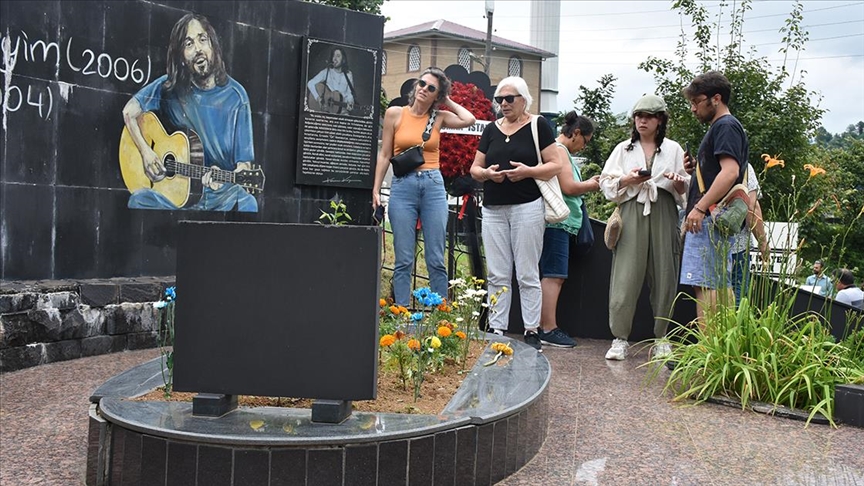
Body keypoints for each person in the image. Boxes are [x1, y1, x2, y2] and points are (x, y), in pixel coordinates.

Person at [122, 13, 258, 212]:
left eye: (203, 40)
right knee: (138, 199)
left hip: (220, 198)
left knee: (248, 204)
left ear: (213, 45)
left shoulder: (236, 97)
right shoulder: (169, 87)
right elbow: (129, 112)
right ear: (181, 57)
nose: (198, 50)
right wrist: (146, 152)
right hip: (174, 199)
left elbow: (244, 167)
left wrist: (224, 180)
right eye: (189, 44)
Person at [469, 76, 564, 351]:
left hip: (527, 205)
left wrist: (528, 172)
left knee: (527, 272)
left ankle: (531, 329)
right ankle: (498, 327)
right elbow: (475, 168)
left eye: (509, 98)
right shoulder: (490, 129)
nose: (503, 104)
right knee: (497, 273)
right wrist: (486, 174)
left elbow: (555, 165)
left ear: (524, 99)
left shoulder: (538, 125)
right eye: (499, 99)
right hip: (493, 207)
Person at [372, 68, 475, 306]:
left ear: (436, 96)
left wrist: (446, 99)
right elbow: (385, 154)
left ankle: (440, 313)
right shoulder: (395, 114)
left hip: (432, 185)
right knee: (404, 257)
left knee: (436, 256)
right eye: (422, 84)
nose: (424, 89)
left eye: (431, 88)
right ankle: (402, 312)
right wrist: (376, 188)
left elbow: (468, 119)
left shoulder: (438, 117)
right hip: (403, 186)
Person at [599, 95, 689, 360]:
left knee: (664, 273)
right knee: (625, 275)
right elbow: (606, 184)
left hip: (663, 208)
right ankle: (619, 338)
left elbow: (683, 190)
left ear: (660, 119)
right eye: (638, 116)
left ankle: (662, 338)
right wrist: (627, 179)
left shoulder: (673, 149)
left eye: (648, 116)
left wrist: (678, 181)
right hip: (632, 208)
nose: (642, 121)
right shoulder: (623, 149)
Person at [680, 71, 749, 323]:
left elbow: (730, 172)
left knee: (707, 285)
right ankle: (718, 352)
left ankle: (707, 357)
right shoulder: (726, 127)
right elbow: (722, 170)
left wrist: (699, 207)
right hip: (714, 218)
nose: (693, 109)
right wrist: (698, 168)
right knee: (716, 285)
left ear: (715, 99)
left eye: (696, 102)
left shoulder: (725, 126)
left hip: (709, 219)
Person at [537, 112, 600, 348]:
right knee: (554, 275)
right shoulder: (560, 151)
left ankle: (545, 325)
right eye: (585, 141)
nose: (584, 147)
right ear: (575, 134)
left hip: (559, 222)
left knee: (554, 274)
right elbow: (569, 187)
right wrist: (594, 185)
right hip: (557, 222)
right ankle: (547, 327)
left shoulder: (558, 150)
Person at [731, 163, 769, 304]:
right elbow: (752, 207)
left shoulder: (704, 161)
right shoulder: (743, 166)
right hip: (737, 246)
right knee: (737, 299)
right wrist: (763, 243)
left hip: (706, 243)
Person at [307, 47, 355, 114]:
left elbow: (349, 94)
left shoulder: (349, 75)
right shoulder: (327, 72)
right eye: (333, 56)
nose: (335, 58)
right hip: (328, 111)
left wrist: (350, 102)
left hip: (342, 111)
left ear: (343, 59)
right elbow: (310, 83)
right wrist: (318, 98)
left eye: (338, 56)